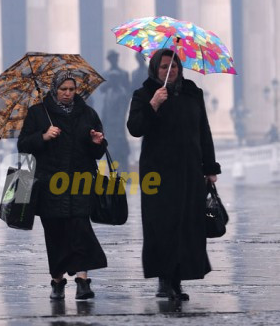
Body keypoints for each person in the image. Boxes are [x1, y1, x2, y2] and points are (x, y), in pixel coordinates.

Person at [127, 48, 221, 301]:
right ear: (155, 69)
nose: (170, 70)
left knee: (187, 225)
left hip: (189, 169)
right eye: (164, 66)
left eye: (175, 66)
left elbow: (204, 131)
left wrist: (210, 168)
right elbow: (135, 128)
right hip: (157, 172)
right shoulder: (145, 93)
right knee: (162, 225)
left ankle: (177, 280)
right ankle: (163, 279)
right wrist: (153, 105)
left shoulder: (192, 93)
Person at [17, 70, 108, 301]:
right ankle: (57, 281)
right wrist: (43, 136)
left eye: (71, 89)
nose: (68, 93)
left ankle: (83, 281)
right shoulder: (38, 113)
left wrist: (98, 143)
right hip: (50, 185)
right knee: (55, 234)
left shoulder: (87, 113)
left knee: (80, 230)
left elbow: (96, 152)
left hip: (80, 182)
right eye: (63, 89)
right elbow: (23, 145)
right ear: (55, 90)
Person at [100, 50, 131, 170]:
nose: (113, 60)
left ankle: (123, 168)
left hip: (119, 115)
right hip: (109, 114)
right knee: (110, 143)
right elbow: (102, 90)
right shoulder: (106, 74)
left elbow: (128, 91)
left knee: (120, 142)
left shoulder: (123, 74)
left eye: (114, 58)